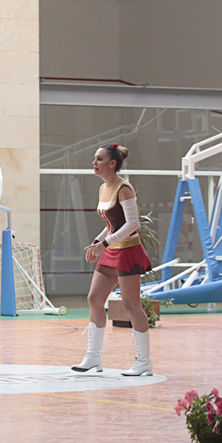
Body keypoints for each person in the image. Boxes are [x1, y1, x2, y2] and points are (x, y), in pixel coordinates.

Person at [72, 143, 153, 377]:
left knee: (131, 305)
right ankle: (93, 357)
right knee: (94, 299)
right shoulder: (103, 188)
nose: (94, 163)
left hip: (128, 251)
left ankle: (144, 361)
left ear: (112, 163)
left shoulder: (124, 188)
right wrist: (98, 241)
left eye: (99, 159)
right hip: (111, 249)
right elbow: (112, 224)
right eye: (94, 159)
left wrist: (104, 244)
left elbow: (132, 224)